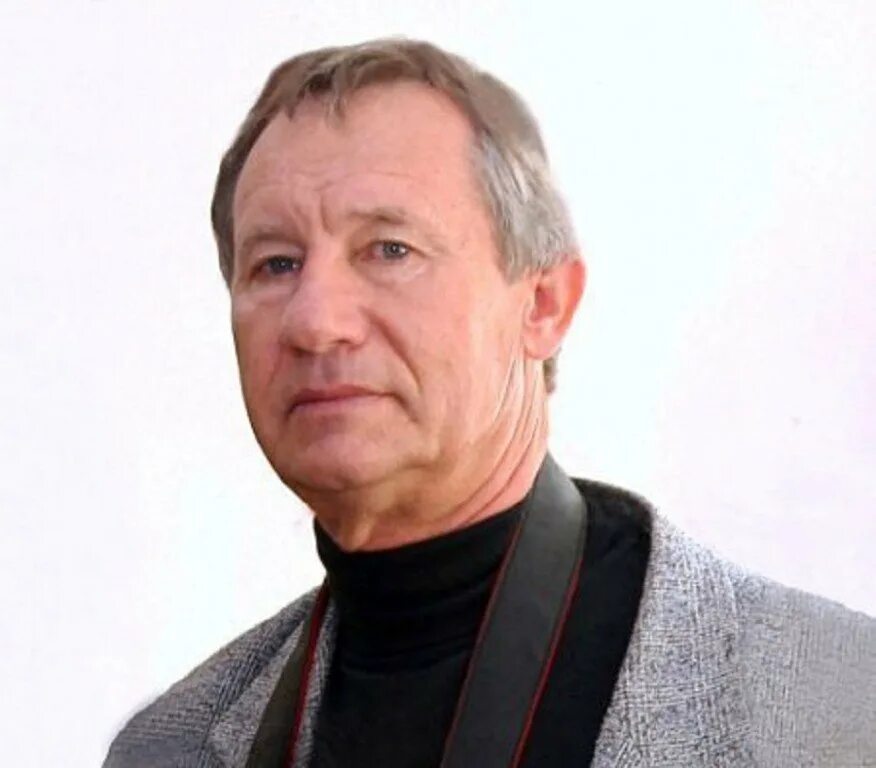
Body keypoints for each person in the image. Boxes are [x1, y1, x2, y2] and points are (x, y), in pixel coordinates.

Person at [104, 38, 875, 768]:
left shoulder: (841, 706)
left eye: (390, 250)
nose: (315, 320)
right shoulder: (166, 748)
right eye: (276, 263)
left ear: (543, 304)